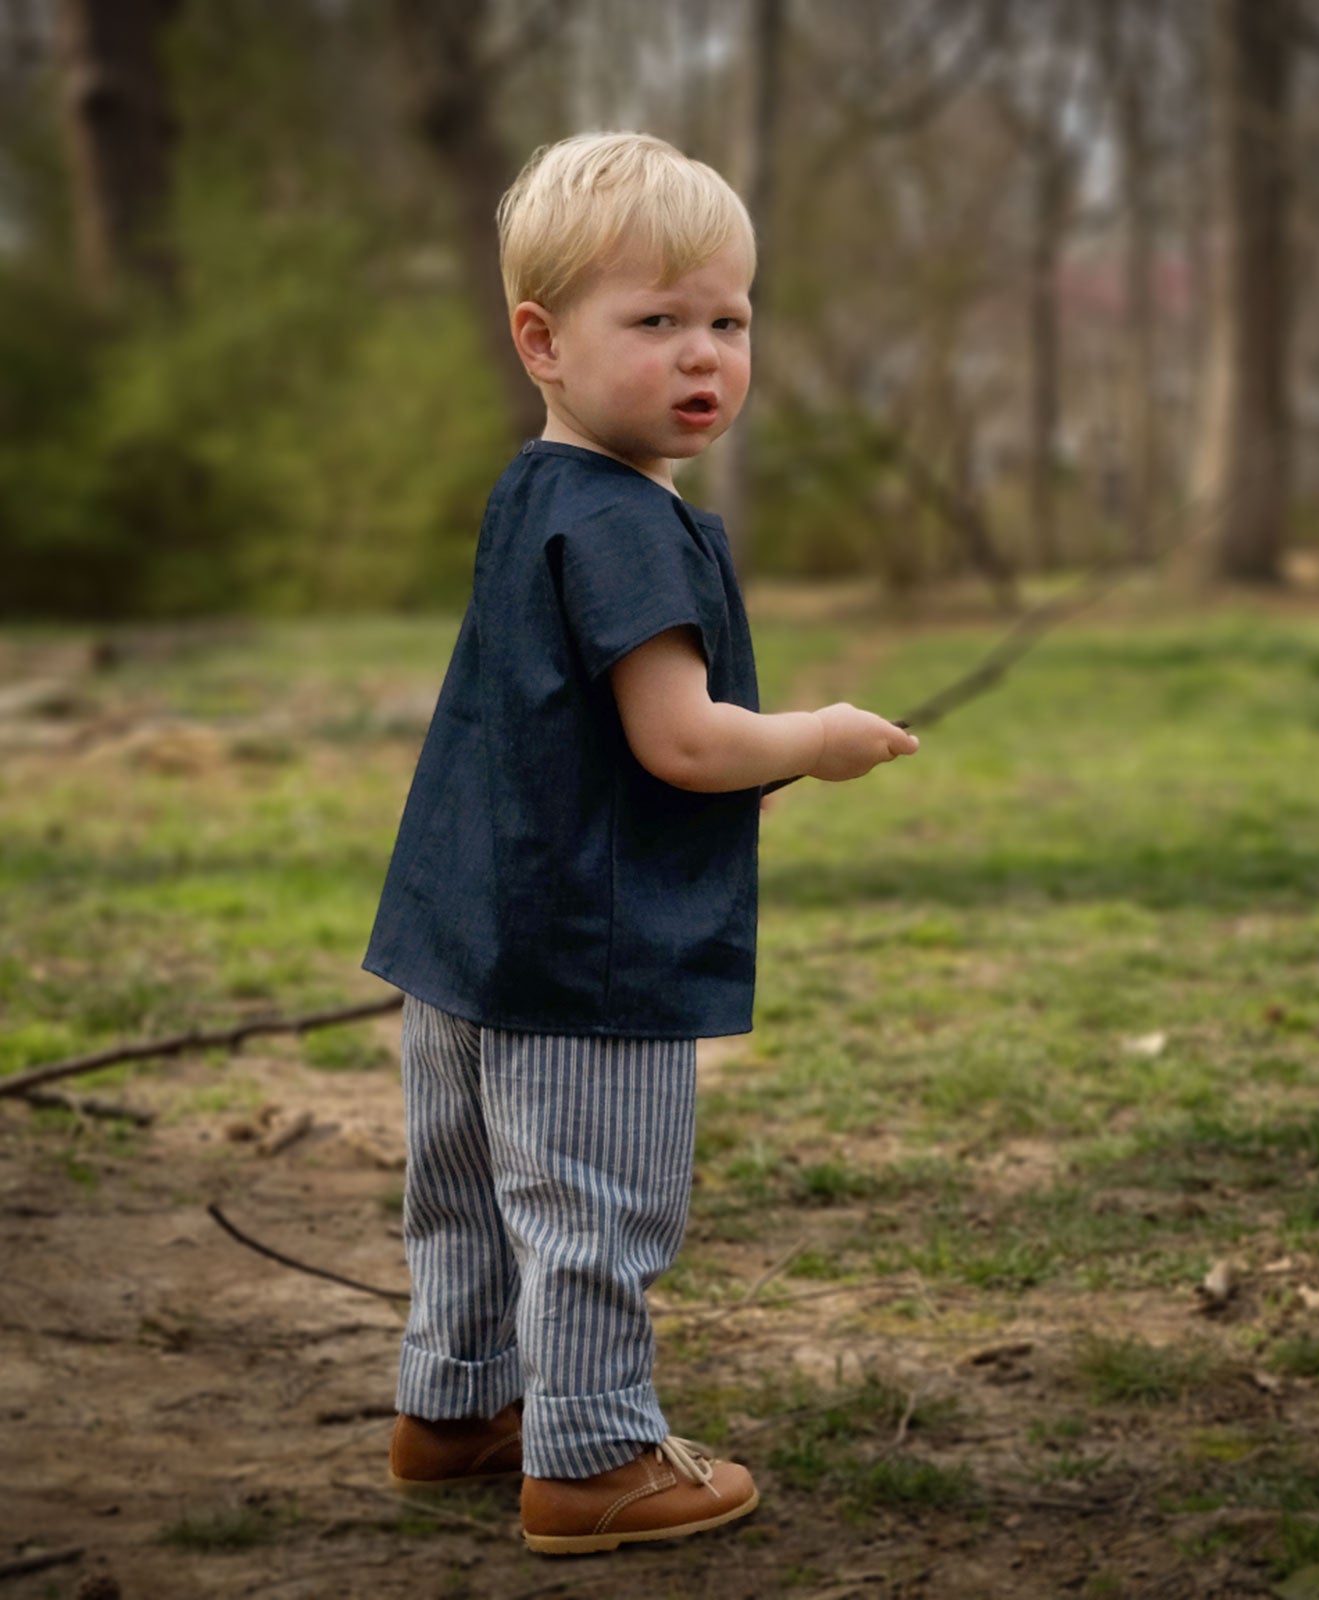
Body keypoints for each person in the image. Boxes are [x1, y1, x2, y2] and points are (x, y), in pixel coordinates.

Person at [363, 130, 917, 1556]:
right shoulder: (627, 525)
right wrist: (817, 739)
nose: (704, 357)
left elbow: (578, 727)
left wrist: (731, 768)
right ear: (542, 340)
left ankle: (456, 1406)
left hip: (464, 925)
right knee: (590, 1202)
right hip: (582, 954)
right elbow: (680, 738)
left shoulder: (533, 491)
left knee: (468, 1190)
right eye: (657, 321)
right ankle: (595, 1454)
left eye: (727, 320)